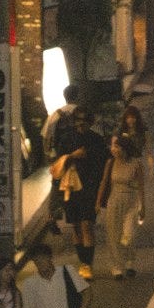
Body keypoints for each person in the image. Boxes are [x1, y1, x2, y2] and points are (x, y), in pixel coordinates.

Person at [54, 107, 108, 279]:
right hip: (69, 188)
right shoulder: (66, 139)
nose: (81, 123)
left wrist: (99, 192)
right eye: (78, 120)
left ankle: (87, 264)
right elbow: (58, 163)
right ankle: (83, 262)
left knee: (87, 224)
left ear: (90, 122)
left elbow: (103, 165)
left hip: (89, 188)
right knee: (76, 226)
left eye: (84, 120)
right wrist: (72, 156)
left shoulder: (96, 140)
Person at [97, 134, 145, 280]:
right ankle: (117, 267)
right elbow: (104, 182)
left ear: (125, 149)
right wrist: (98, 202)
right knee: (114, 235)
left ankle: (129, 260)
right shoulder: (110, 163)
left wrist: (143, 207)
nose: (114, 150)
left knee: (128, 234)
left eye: (117, 147)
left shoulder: (136, 164)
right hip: (114, 201)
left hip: (131, 201)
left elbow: (141, 187)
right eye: (114, 147)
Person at [41, 84, 79, 234]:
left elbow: (46, 136)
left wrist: (49, 157)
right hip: (78, 157)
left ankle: (53, 217)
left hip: (60, 158)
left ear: (65, 97)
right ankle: (77, 218)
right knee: (79, 185)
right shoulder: (81, 113)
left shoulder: (55, 115)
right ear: (77, 96)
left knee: (57, 187)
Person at [114, 104, 153, 177]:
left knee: (137, 179)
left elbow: (149, 151)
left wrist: (151, 168)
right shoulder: (121, 131)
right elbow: (114, 145)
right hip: (122, 161)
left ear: (137, 118)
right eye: (128, 118)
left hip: (136, 161)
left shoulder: (143, 132)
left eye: (132, 117)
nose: (130, 120)